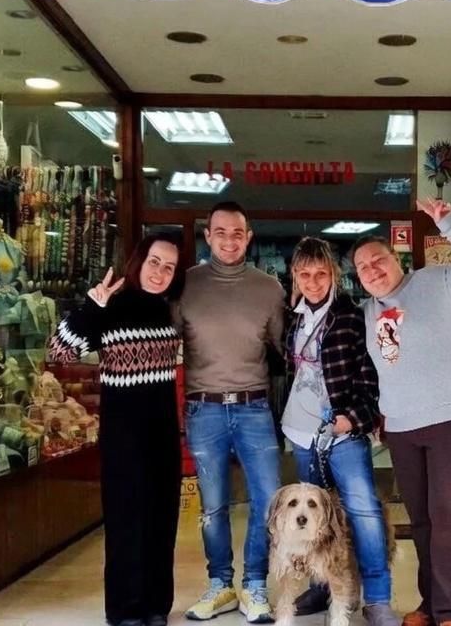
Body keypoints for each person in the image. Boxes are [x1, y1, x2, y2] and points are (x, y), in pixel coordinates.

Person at [352, 199, 451, 626]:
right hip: (402, 427)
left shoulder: (436, 282)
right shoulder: (366, 314)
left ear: (395, 257)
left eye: (378, 259)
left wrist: (449, 223)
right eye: (362, 267)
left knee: (449, 515)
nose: (372, 270)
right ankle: (431, 603)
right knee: (422, 521)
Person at [47, 235, 184, 626]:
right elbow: (58, 352)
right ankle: (125, 609)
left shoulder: (166, 311)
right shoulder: (111, 306)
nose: (160, 272)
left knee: (161, 519)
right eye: (155, 262)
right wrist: (92, 307)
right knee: (127, 522)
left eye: (169, 267)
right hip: (123, 437)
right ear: (139, 262)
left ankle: (156, 605)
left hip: (162, 434)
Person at [176, 202, 286, 624]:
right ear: (208, 236)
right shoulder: (185, 286)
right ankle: (219, 584)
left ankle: (254, 585)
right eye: (220, 232)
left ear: (249, 236)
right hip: (203, 410)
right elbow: (163, 341)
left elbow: (286, 350)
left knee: (267, 501)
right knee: (213, 507)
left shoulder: (269, 288)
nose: (229, 240)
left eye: (237, 233)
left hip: (254, 408)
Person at [280, 237, 398, 626]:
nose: (313, 282)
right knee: (315, 518)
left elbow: (372, 375)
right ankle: (321, 586)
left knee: (363, 513)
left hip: (343, 434)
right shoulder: (293, 317)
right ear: (295, 276)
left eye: (321, 274)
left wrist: (352, 418)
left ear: (334, 275)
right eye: (305, 274)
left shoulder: (352, 316)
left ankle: (378, 598)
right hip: (302, 434)